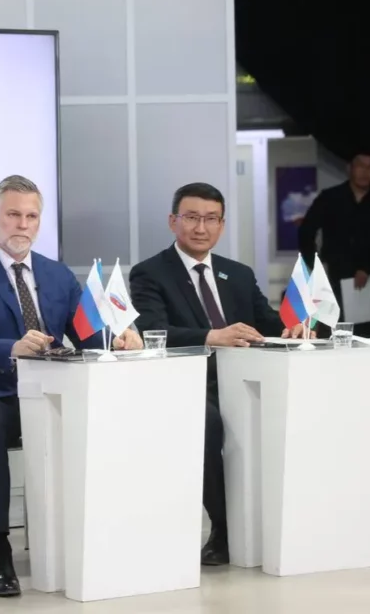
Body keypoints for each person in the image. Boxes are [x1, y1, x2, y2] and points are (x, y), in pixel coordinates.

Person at [0, 175, 143, 597]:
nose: (23, 225)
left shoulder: (57, 274)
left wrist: (118, 337)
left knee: (110, 411)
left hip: (57, 391)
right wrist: (11, 348)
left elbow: (87, 333)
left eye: (31, 216)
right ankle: (0, 549)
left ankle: (104, 534)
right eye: (13, 215)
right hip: (0, 393)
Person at [129, 182, 306, 567]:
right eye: (191, 217)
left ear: (222, 225)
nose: (200, 228)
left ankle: (288, 520)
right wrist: (212, 336)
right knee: (208, 423)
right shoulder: (150, 273)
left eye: (211, 219)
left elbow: (267, 322)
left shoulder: (237, 274)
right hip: (188, 383)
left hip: (246, 379)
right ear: (173, 221)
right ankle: (224, 528)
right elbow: (153, 331)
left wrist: (292, 328)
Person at [298, 151, 370, 336]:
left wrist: (367, 267)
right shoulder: (330, 197)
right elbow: (306, 232)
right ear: (350, 168)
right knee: (331, 332)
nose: (365, 172)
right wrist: (315, 266)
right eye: (360, 166)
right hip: (335, 276)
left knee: (367, 335)